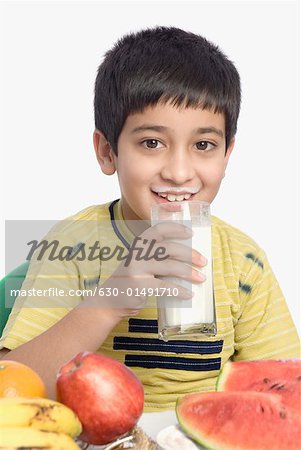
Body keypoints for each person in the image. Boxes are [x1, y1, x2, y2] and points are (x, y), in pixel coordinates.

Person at [0, 27, 299, 411]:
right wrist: (107, 304)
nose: (178, 172)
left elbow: (285, 395)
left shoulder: (243, 262)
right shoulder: (72, 246)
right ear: (108, 152)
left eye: (203, 145)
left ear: (227, 155)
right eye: (151, 143)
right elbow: (10, 388)